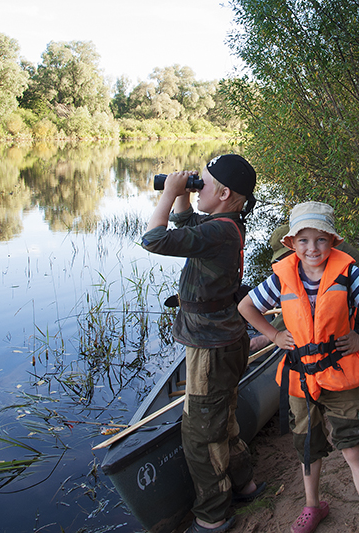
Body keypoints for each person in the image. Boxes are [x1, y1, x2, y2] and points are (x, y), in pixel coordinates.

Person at [238, 201, 359, 533]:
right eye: (304, 241)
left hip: (339, 375)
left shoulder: (348, 273)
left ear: (332, 242)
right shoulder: (283, 276)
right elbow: (246, 305)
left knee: (354, 449)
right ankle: (313, 506)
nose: (313, 248)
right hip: (299, 378)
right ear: (292, 244)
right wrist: (274, 334)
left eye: (321, 240)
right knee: (308, 448)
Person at [141, 154, 264, 533]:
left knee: (200, 435)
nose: (197, 188)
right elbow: (186, 224)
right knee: (222, 421)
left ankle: (212, 517)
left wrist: (168, 193)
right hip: (222, 340)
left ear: (224, 193)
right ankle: (245, 484)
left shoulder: (221, 231)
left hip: (211, 348)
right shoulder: (225, 225)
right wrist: (182, 198)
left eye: (202, 184)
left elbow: (154, 239)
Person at [249, 223, 359, 351]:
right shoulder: (320, 249)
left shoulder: (323, 258)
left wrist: (269, 336)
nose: (284, 262)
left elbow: (307, 305)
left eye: (284, 257)